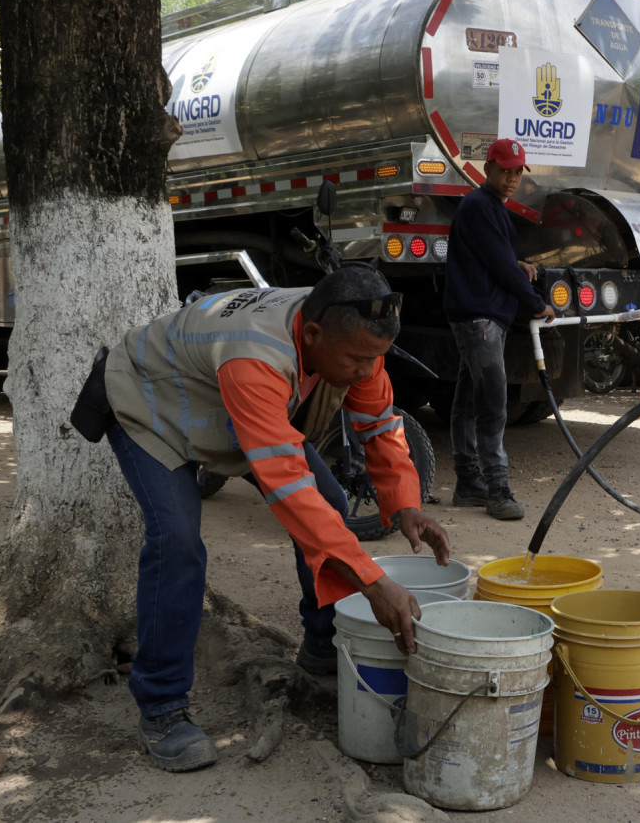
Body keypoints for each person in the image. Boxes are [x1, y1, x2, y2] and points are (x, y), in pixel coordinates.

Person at [93, 265, 451, 772]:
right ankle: (162, 708)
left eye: (375, 359)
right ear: (312, 334)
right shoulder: (256, 358)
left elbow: (379, 422)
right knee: (176, 542)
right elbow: (289, 490)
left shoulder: (345, 324)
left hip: (222, 404)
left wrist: (406, 503)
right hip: (149, 406)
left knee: (331, 504)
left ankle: (325, 645)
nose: (365, 371)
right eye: (355, 360)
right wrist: (372, 581)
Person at [443, 138, 554, 520]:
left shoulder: (489, 207)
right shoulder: (479, 205)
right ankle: (496, 489)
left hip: (479, 316)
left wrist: (517, 262)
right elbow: (499, 266)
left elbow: (495, 258)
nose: (511, 177)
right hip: (480, 318)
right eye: (504, 169)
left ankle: (468, 483)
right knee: (492, 404)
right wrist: (537, 303)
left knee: (468, 402)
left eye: (517, 171)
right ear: (488, 168)